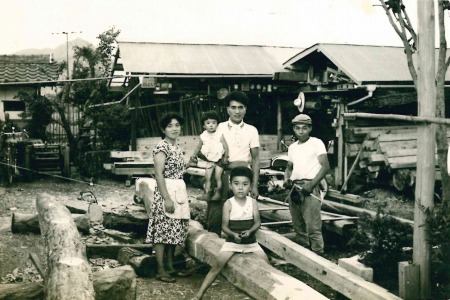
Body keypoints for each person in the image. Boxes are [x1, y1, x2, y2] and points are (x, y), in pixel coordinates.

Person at [192, 166, 268, 300]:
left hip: (251, 243)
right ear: (231, 185)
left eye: (245, 184)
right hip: (232, 243)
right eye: (236, 184)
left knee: (267, 266)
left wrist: (250, 231)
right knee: (217, 266)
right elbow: (224, 227)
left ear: (250, 186)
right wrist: (233, 235)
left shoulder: (253, 202)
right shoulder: (229, 203)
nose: (240, 188)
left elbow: (257, 223)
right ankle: (199, 295)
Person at [145, 112, 196, 282]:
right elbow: (159, 174)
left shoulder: (176, 147)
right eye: (170, 126)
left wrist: (189, 163)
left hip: (178, 190)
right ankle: (161, 269)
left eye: (177, 125)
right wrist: (166, 199)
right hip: (166, 192)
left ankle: (170, 266)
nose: (174, 129)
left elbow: (177, 171)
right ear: (163, 129)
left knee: (174, 229)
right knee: (162, 231)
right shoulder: (162, 147)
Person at [206, 91, 260, 236]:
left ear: (245, 109)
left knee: (243, 215)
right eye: (233, 107)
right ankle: (213, 248)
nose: (237, 111)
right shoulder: (218, 128)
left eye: (241, 107)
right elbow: (205, 151)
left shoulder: (252, 130)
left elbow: (255, 159)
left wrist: (254, 185)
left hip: (242, 178)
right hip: (221, 176)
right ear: (227, 109)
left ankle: (243, 249)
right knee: (216, 216)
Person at [283, 114, 330, 254]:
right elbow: (289, 167)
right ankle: (304, 257)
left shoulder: (316, 143)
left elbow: (326, 167)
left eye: (304, 128)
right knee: (298, 226)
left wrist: (311, 185)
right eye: (297, 128)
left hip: (310, 186)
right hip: (295, 188)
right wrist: (287, 179)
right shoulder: (292, 147)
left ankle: (318, 256)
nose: (301, 131)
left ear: (310, 128)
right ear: (294, 129)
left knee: (313, 227)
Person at [191, 110, 229, 201]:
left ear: (217, 124)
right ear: (204, 125)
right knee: (207, 177)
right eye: (208, 123)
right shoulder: (203, 136)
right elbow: (198, 147)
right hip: (209, 159)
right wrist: (194, 155)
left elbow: (226, 147)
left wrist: (226, 157)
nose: (211, 125)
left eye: (213, 123)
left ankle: (218, 193)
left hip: (219, 159)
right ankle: (207, 193)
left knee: (217, 177)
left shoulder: (219, 134)